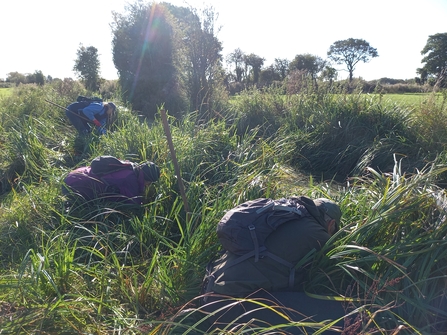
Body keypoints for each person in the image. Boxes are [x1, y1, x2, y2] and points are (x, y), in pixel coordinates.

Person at [199, 196, 349, 334]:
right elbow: (334, 268)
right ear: (331, 224)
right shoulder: (317, 234)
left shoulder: (289, 214)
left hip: (209, 290)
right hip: (229, 310)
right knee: (333, 315)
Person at [62, 158, 160, 205]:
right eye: (150, 183)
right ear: (147, 179)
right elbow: (132, 204)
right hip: (74, 186)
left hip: (76, 174)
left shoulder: (131, 166)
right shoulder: (130, 181)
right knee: (86, 204)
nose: (149, 185)